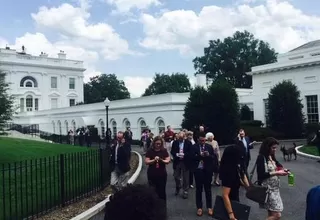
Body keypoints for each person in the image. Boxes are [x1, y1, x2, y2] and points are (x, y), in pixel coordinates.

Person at [256, 137, 289, 220]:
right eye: (273, 148)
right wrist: (277, 173)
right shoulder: (261, 158)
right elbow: (261, 175)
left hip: (275, 189)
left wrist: (283, 170)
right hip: (268, 190)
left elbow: (278, 165)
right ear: (267, 147)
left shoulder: (271, 156)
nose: (275, 150)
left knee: (271, 213)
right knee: (277, 215)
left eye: (276, 148)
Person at [219, 139, 249, 220]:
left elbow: (243, 174)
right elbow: (225, 195)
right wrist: (231, 214)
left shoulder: (237, 166)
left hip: (235, 200)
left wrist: (249, 188)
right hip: (228, 206)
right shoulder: (228, 173)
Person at [191, 134, 215, 216]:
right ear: (198, 140)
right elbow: (191, 157)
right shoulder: (194, 147)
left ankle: (209, 207)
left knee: (208, 189)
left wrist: (208, 155)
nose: (203, 142)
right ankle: (199, 207)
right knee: (199, 190)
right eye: (201, 141)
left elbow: (213, 157)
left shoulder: (209, 147)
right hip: (198, 170)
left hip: (207, 170)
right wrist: (199, 155)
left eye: (204, 140)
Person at [145, 136, 170, 202]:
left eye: (159, 144)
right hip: (152, 174)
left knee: (161, 191)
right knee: (152, 191)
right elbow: (147, 161)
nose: (158, 145)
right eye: (157, 143)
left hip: (162, 174)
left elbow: (167, 160)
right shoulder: (150, 150)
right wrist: (153, 160)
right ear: (154, 143)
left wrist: (161, 160)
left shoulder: (164, 150)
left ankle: (162, 206)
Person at [171, 131, 193, 199]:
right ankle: (178, 186)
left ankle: (185, 191)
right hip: (177, 161)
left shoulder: (188, 143)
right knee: (176, 176)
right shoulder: (175, 142)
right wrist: (176, 154)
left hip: (185, 162)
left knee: (186, 178)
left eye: (181, 137)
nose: (180, 139)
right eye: (179, 137)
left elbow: (191, 152)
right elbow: (172, 151)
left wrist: (184, 155)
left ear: (184, 137)